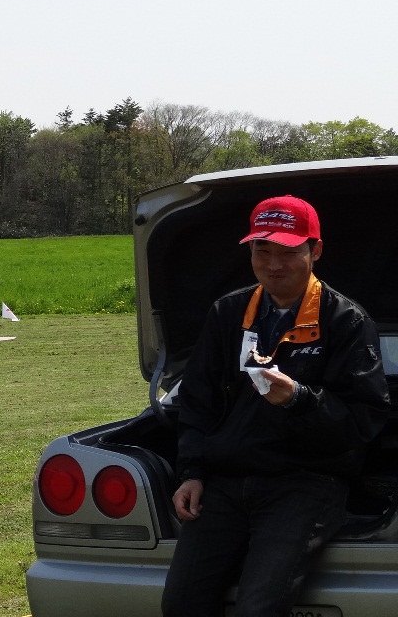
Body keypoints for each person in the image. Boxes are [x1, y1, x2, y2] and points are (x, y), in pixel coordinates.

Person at [162, 195, 390, 617]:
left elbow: (364, 423)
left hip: (305, 485)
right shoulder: (227, 313)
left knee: (259, 609)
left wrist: (299, 399)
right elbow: (196, 403)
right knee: (181, 603)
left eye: (287, 252)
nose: (273, 265)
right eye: (261, 250)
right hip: (225, 484)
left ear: (315, 250)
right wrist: (192, 473)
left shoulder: (347, 321)